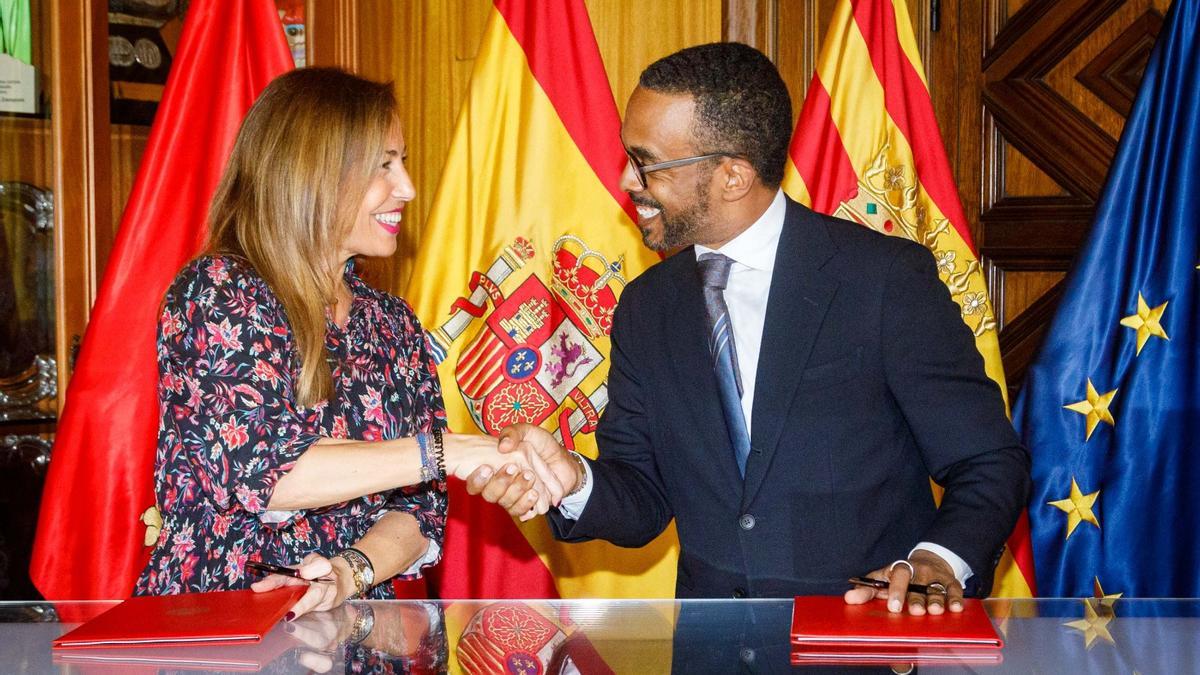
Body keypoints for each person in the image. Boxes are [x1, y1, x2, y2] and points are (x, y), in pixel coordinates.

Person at [468, 43, 1030, 614]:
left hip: (857, 642)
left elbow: (987, 461)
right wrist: (572, 480)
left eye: (647, 163)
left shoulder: (882, 280)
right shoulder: (647, 306)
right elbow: (642, 496)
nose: (624, 179)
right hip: (709, 651)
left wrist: (938, 558)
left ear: (733, 175)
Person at [135, 68, 559, 617]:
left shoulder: (393, 321)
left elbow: (420, 512)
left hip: (353, 632)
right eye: (384, 165)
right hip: (218, 628)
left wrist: (347, 571)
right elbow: (268, 474)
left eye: (402, 161)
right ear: (312, 173)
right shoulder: (218, 292)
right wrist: (448, 450)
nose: (406, 187)